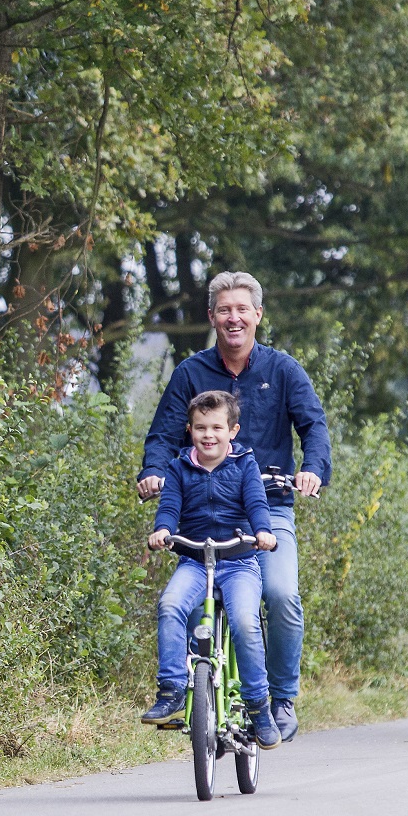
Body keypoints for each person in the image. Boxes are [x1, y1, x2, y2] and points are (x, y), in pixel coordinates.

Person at [136, 271, 330, 743]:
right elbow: (163, 435)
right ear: (212, 317)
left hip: (270, 511)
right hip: (204, 511)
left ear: (258, 315)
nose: (234, 317)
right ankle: (192, 695)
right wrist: (153, 471)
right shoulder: (190, 374)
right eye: (224, 310)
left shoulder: (283, 370)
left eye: (243, 309)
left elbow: (315, 427)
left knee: (281, 595)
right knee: (181, 600)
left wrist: (313, 471)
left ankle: (279, 699)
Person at [142, 390, 282, 749]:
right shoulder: (179, 467)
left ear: (232, 431)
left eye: (217, 427)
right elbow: (169, 506)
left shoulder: (244, 464)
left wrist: (263, 532)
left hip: (238, 562)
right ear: (190, 430)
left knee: (247, 624)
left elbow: (256, 503)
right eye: (201, 427)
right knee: (170, 606)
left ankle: (258, 708)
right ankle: (172, 690)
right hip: (194, 560)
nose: (209, 435)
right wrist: (162, 530)